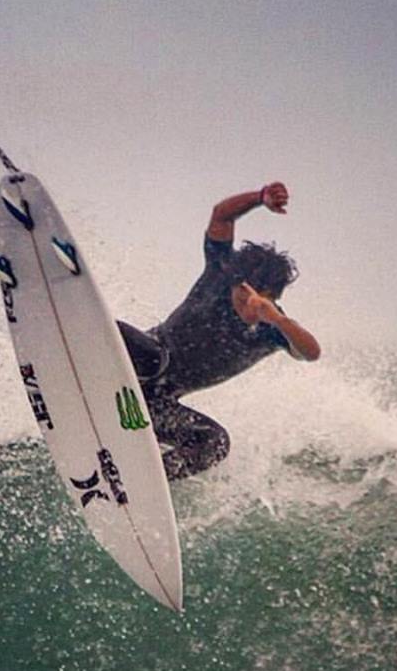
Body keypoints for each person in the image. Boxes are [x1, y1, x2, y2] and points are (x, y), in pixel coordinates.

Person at [118, 181, 321, 481]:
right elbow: (221, 216)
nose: (246, 305)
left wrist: (277, 319)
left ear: (272, 297)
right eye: (241, 294)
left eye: (257, 300)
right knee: (153, 357)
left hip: (155, 404)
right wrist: (260, 197)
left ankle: (138, 481)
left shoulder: (273, 331)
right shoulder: (219, 273)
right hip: (134, 359)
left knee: (216, 442)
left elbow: (311, 352)